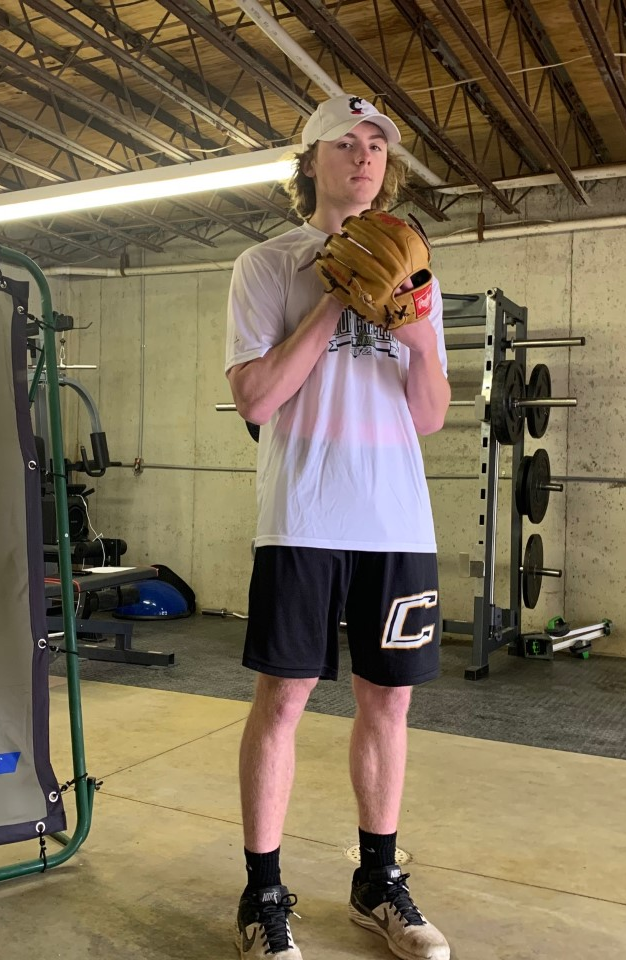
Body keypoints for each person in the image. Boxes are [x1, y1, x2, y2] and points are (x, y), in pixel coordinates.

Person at [223, 94, 452, 960]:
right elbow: (255, 397)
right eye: (345, 145)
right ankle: (264, 893)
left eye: (376, 148)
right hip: (304, 515)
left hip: (395, 517)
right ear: (311, 162)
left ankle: (376, 881)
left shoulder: (417, 268)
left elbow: (429, 415)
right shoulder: (266, 265)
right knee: (282, 700)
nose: (364, 158)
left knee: (387, 702)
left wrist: (421, 336)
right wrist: (335, 295)